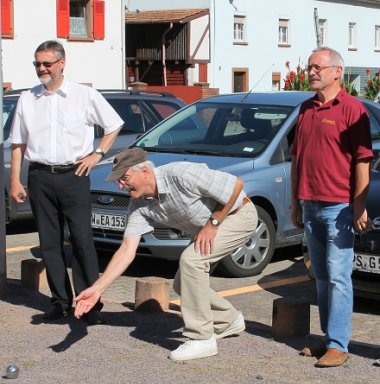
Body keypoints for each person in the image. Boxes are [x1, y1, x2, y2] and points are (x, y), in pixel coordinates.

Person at [74, 147, 258, 361]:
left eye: (124, 178)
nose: (121, 185)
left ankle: (202, 338)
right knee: (183, 284)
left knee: (191, 261)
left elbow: (236, 185)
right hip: (206, 226)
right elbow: (126, 250)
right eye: (118, 181)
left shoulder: (180, 174)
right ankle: (229, 320)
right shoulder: (139, 204)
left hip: (238, 215)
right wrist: (98, 289)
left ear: (144, 172)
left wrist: (213, 223)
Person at [10, 40, 124, 324]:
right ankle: (59, 301)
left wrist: (97, 154)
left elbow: (114, 125)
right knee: (49, 242)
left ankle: (89, 303)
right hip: (39, 176)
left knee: (82, 240)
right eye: (37, 63)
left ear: (62, 63)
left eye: (47, 63)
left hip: (74, 176)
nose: (41, 68)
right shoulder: (27, 99)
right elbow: (17, 143)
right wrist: (15, 180)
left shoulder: (84, 95)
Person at [290, 47, 373, 367]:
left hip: (339, 207)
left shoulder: (353, 109)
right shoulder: (305, 109)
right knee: (322, 276)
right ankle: (328, 339)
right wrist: (295, 201)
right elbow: (297, 157)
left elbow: (363, 161)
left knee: (339, 276)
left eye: (317, 67)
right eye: (309, 67)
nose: (311, 72)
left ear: (337, 72)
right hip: (310, 204)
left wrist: (359, 205)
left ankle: (339, 344)